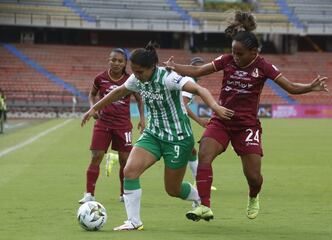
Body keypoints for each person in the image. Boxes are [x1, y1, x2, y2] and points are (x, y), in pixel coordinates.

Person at [164, 10, 328, 222]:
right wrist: (174, 67)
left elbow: (290, 87)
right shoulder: (226, 60)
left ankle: (253, 195)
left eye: (240, 54)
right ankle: (204, 206)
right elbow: (198, 71)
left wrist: (309, 87)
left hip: (247, 126)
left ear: (254, 52)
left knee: (253, 177)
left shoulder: (264, 67)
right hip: (222, 120)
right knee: (205, 153)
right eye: (233, 52)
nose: (235, 57)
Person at [81, 42, 234, 230]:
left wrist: (215, 107)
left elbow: (199, 89)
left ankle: (198, 198)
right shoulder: (137, 79)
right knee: (130, 171)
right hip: (153, 134)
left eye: (140, 72)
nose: (136, 76)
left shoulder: (169, 78)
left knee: (172, 189)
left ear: (152, 67)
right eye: (134, 72)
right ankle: (134, 221)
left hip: (177, 138)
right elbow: (120, 91)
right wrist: (94, 107)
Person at [78, 48, 145, 204]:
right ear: (109, 60)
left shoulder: (131, 80)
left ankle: (124, 194)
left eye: (120, 61)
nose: (116, 63)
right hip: (103, 123)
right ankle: (89, 194)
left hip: (123, 125)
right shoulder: (100, 78)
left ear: (125, 64)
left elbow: (140, 100)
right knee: (96, 157)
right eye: (113, 60)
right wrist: (92, 107)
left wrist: (142, 119)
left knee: (124, 160)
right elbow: (92, 95)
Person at [183, 57, 217, 191]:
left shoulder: (190, 81)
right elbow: (183, 105)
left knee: (191, 151)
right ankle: (199, 183)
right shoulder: (189, 82)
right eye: (198, 68)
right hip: (177, 120)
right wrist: (199, 120)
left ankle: (199, 182)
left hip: (179, 119)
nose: (201, 72)